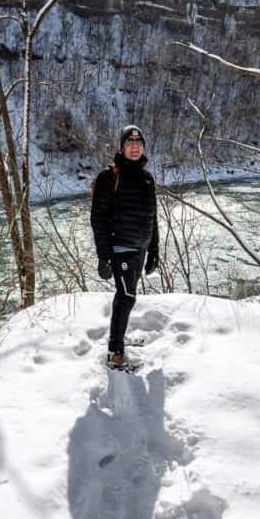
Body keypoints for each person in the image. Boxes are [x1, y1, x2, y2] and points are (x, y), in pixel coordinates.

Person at [90, 124, 160, 371]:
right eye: (129, 144)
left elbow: (153, 216)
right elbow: (97, 219)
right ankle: (115, 353)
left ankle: (118, 340)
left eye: (138, 144)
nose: (134, 147)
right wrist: (103, 256)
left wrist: (154, 250)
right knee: (127, 297)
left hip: (139, 248)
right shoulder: (109, 177)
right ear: (122, 147)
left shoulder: (147, 178)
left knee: (126, 297)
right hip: (119, 248)